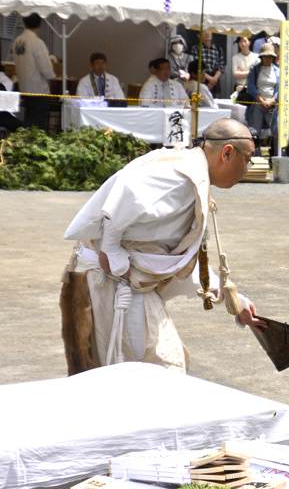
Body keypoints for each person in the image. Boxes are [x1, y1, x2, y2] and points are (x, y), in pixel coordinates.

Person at [59, 119, 265, 375]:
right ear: (227, 153)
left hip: (122, 283)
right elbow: (124, 192)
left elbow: (178, 256)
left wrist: (236, 301)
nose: (248, 168)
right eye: (248, 159)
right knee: (163, 368)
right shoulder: (182, 175)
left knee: (150, 369)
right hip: (114, 284)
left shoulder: (190, 172)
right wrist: (110, 252)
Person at [11, 13, 54, 129]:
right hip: (38, 89)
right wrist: (51, 75)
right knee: (37, 126)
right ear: (40, 25)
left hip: (24, 87)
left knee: (28, 120)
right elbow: (46, 69)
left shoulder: (17, 41)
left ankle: (26, 144)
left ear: (24, 23)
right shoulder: (37, 43)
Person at [245, 43, 280, 147]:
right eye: (266, 56)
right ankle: (255, 151)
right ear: (261, 56)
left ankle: (275, 152)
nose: (268, 58)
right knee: (255, 131)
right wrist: (262, 100)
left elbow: (279, 88)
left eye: (270, 56)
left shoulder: (277, 71)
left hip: (272, 106)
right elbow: (251, 87)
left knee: (276, 129)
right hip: (257, 104)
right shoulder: (254, 69)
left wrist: (271, 100)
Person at [190, 29, 225, 94]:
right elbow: (196, 66)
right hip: (201, 79)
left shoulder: (218, 49)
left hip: (215, 81)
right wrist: (210, 79)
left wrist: (213, 80)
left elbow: (221, 66)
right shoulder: (195, 49)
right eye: (204, 31)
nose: (207, 33)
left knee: (214, 102)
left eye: (209, 30)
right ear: (198, 35)